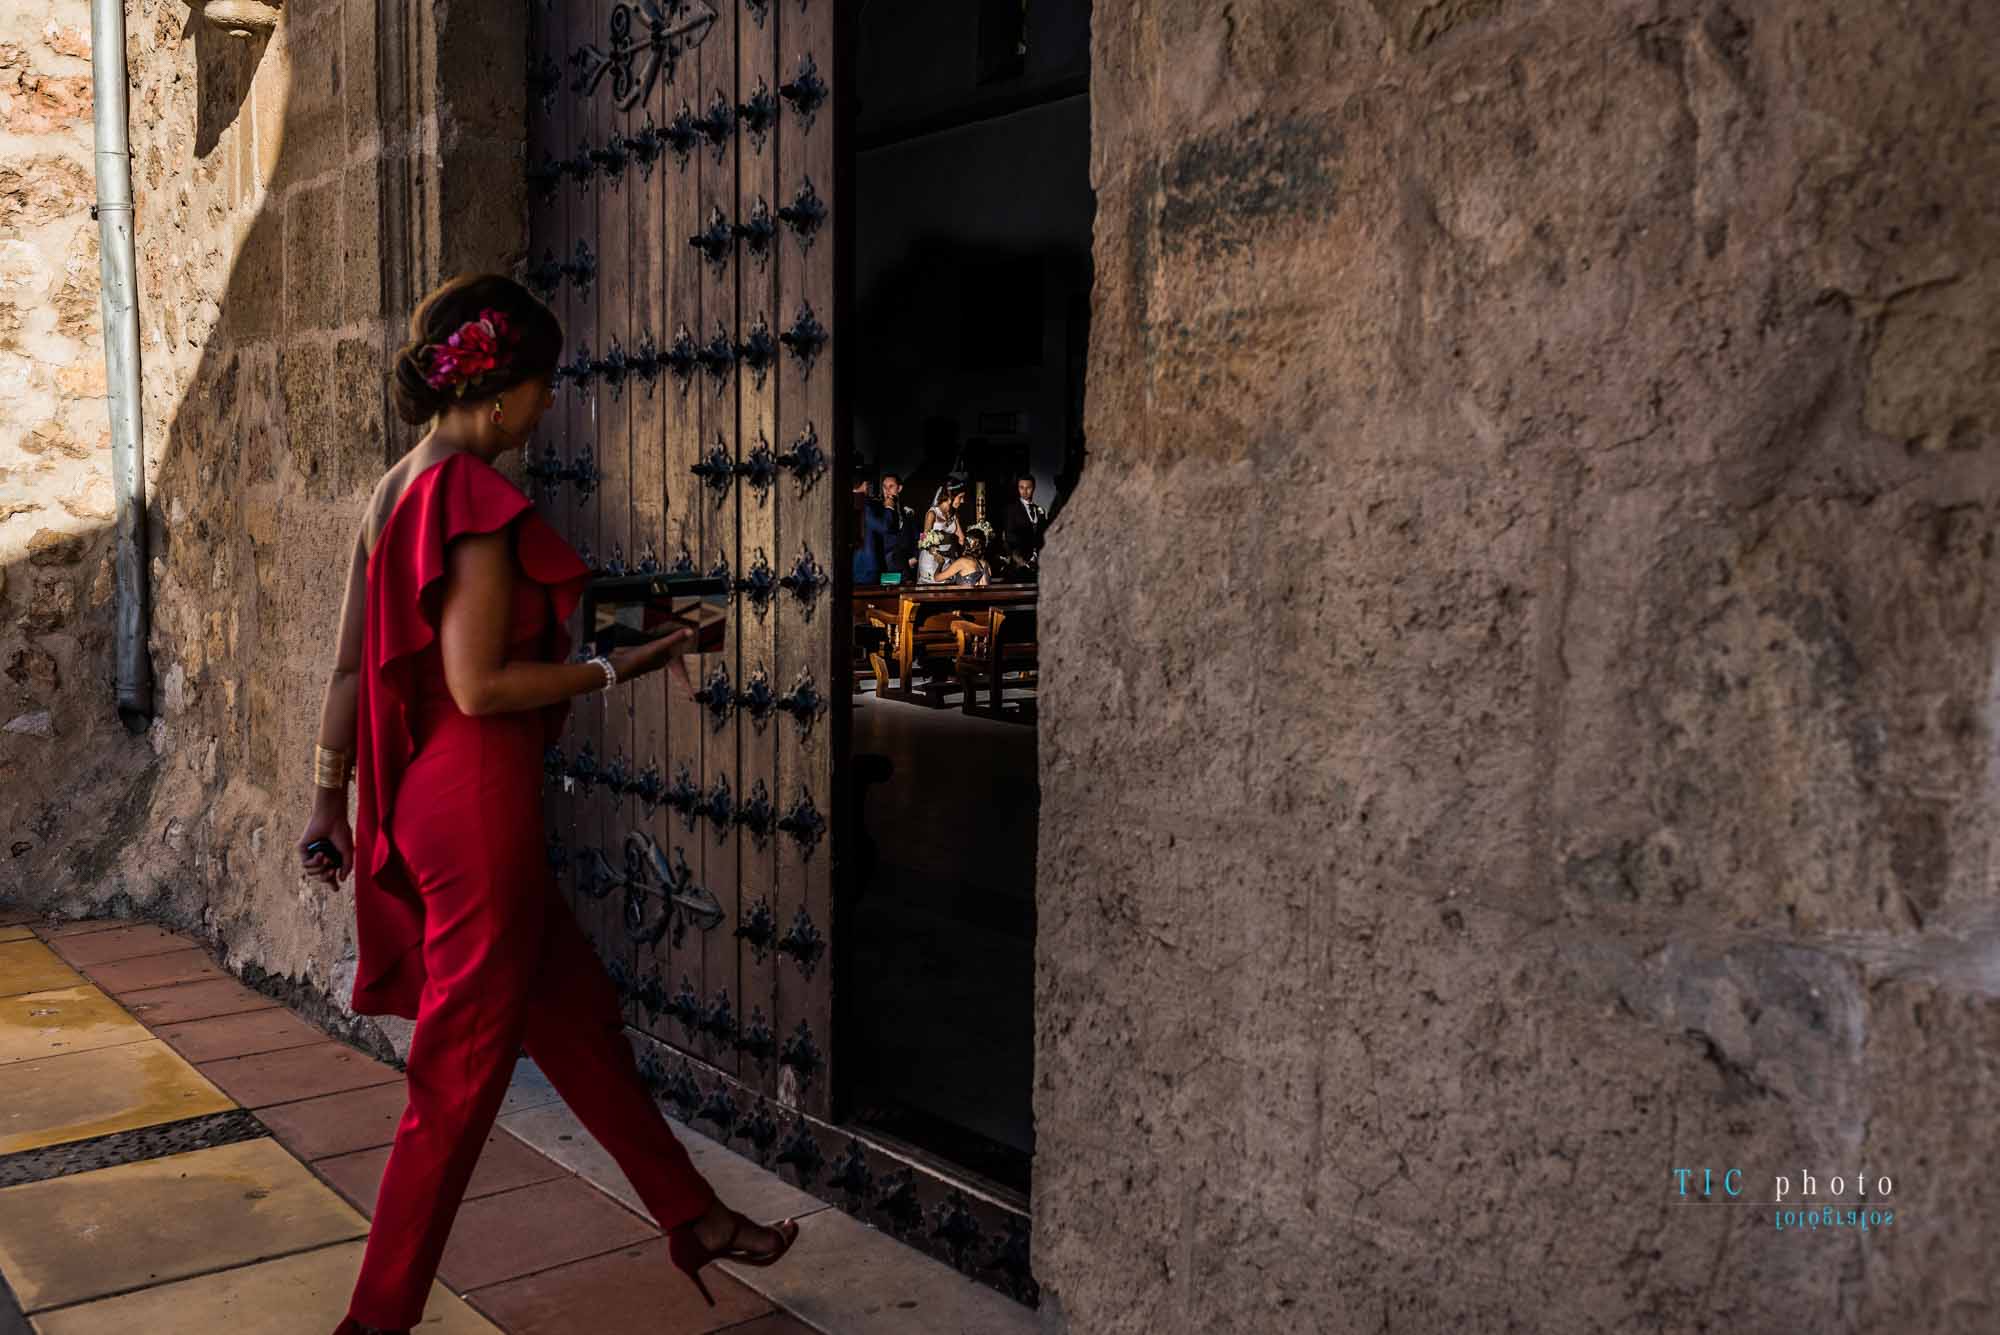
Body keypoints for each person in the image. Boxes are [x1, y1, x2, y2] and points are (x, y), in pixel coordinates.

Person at [295, 274, 799, 1335]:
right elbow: (484, 685)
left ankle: (691, 1216)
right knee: (456, 1079)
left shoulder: (396, 492)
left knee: (573, 1021)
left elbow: (360, 668)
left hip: (425, 802)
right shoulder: (472, 495)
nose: (548, 409)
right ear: (499, 390)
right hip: (479, 807)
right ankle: (370, 1324)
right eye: (544, 386)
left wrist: (326, 801)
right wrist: (633, 667)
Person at [916, 477, 968, 583]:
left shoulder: (954, 515)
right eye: (960, 497)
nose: (963, 501)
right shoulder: (932, 514)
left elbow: (961, 538)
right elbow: (924, 539)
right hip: (932, 560)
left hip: (947, 560)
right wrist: (936, 554)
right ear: (950, 496)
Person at [1001, 473, 1047, 571]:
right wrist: (1023, 558)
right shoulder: (1011, 510)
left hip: (1040, 562)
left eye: (1028, 487)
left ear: (1033, 488)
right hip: (1019, 561)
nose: (1024, 491)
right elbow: (1010, 536)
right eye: (1021, 487)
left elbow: (1043, 535)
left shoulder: (1040, 510)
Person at [876, 471, 917, 577]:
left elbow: (916, 536)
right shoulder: (877, 511)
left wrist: (915, 557)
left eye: (891, 486)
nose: (887, 490)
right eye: (884, 487)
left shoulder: (908, 511)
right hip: (884, 566)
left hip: (906, 566)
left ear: (899, 488)